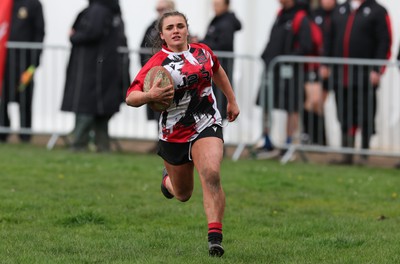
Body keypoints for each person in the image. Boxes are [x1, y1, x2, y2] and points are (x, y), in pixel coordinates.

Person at [125, 11, 240, 257]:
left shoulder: (203, 52)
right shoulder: (156, 63)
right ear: (163, 35)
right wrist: (149, 96)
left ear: (187, 29)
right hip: (174, 133)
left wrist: (231, 100)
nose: (176, 30)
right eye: (170, 28)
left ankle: (215, 239)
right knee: (183, 194)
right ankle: (168, 182)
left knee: (211, 173)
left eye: (180, 26)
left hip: (206, 122)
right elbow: (130, 97)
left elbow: (217, 70)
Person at [321, 0, 392, 165]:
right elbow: (329, 39)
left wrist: (378, 69)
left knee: (365, 114)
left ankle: (363, 154)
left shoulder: (378, 11)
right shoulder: (339, 10)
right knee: (343, 114)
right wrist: (325, 63)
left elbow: (384, 41)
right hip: (341, 75)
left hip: (365, 75)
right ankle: (347, 153)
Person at [61, 0, 129, 152]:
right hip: (105, 67)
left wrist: (74, 36)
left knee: (87, 106)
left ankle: (79, 144)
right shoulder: (113, 12)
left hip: (92, 68)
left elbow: (91, 33)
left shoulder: (98, 10)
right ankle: (102, 146)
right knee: (101, 108)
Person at [255, 0, 313, 158]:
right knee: (266, 103)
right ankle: (266, 141)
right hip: (272, 69)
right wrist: (265, 56)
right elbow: (272, 40)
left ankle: (289, 143)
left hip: (291, 72)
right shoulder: (280, 16)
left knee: (292, 107)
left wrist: (286, 59)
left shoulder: (301, 18)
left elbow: (305, 46)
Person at [0, 0, 45, 143]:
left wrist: (34, 61)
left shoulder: (33, 4)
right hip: (4, 63)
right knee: (2, 98)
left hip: (25, 64)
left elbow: (39, 33)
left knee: (25, 98)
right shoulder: (4, 3)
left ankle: (25, 135)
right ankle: (3, 131)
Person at [139, 0, 176, 153]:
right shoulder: (151, 26)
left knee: (173, 110)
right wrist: (147, 71)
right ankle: (161, 141)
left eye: (162, 8)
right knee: (157, 111)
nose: (159, 12)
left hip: (172, 76)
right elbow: (142, 48)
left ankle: (172, 143)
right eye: (157, 9)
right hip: (154, 76)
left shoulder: (176, 27)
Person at [301, 0, 338, 146]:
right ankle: (316, 139)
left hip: (332, 67)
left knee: (317, 103)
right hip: (315, 68)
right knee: (314, 102)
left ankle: (319, 140)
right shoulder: (314, 15)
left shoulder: (339, 14)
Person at [198, 0, 242, 119]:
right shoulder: (217, 20)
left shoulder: (226, 22)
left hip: (221, 66)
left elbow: (224, 44)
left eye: (217, 5)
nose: (214, 8)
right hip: (215, 66)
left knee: (219, 101)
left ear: (226, 5)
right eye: (213, 5)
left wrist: (203, 44)